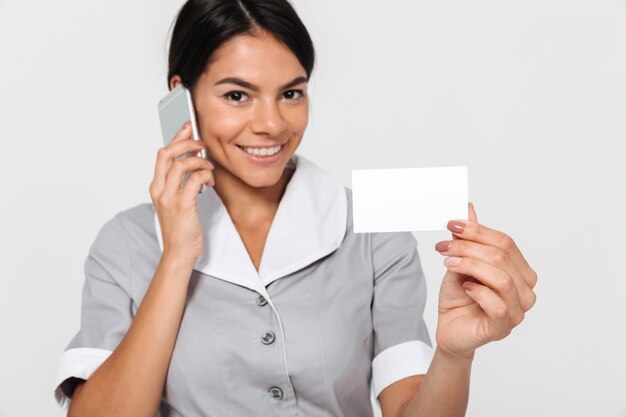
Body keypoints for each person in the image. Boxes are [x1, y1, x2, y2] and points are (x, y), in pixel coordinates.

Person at [53, 0, 538, 416]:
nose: (271, 123)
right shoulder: (125, 244)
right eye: (237, 95)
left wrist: (453, 357)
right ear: (180, 95)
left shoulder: (372, 233)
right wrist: (178, 254)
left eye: (291, 93)